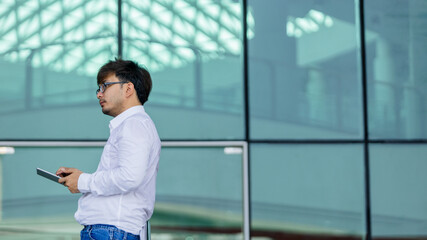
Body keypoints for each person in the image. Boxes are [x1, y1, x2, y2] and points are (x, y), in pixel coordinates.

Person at [56, 59, 161, 240]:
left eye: (105, 86)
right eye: (99, 88)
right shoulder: (133, 125)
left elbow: (129, 177)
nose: (99, 94)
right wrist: (80, 179)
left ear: (128, 89)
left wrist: (83, 182)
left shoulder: (133, 125)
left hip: (112, 229)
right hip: (112, 229)